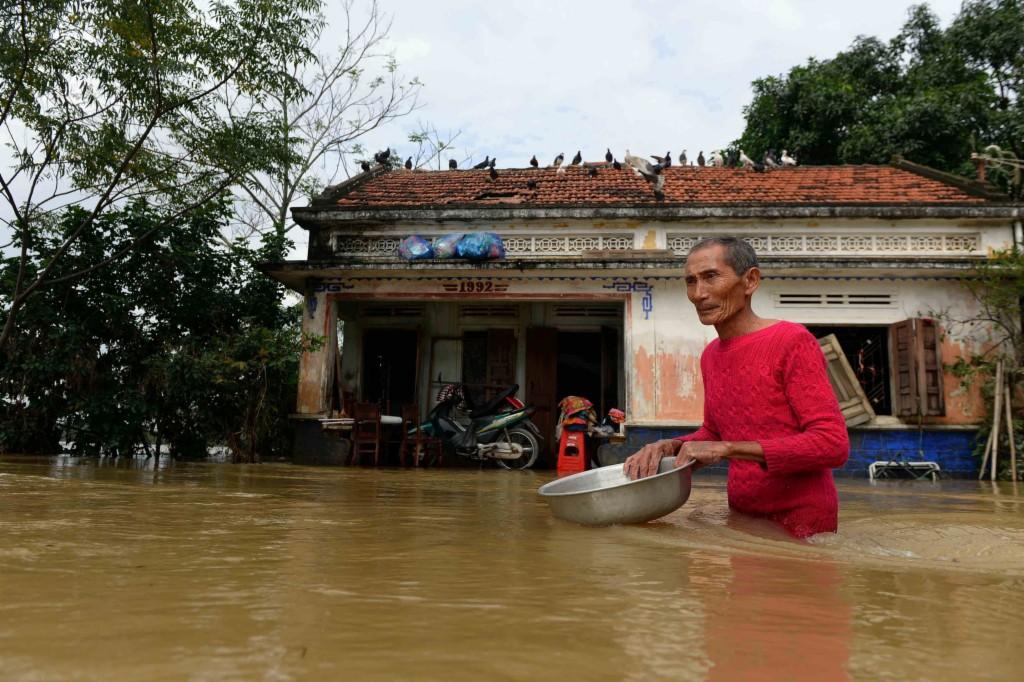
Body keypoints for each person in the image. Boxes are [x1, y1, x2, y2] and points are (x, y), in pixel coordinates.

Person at [623, 237, 849, 538]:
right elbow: (715, 433)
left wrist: (729, 449)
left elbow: (832, 444)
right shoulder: (711, 356)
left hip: (802, 522)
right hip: (742, 516)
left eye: (711, 277)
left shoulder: (792, 341)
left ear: (750, 281)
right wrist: (670, 445)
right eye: (690, 282)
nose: (699, 294)